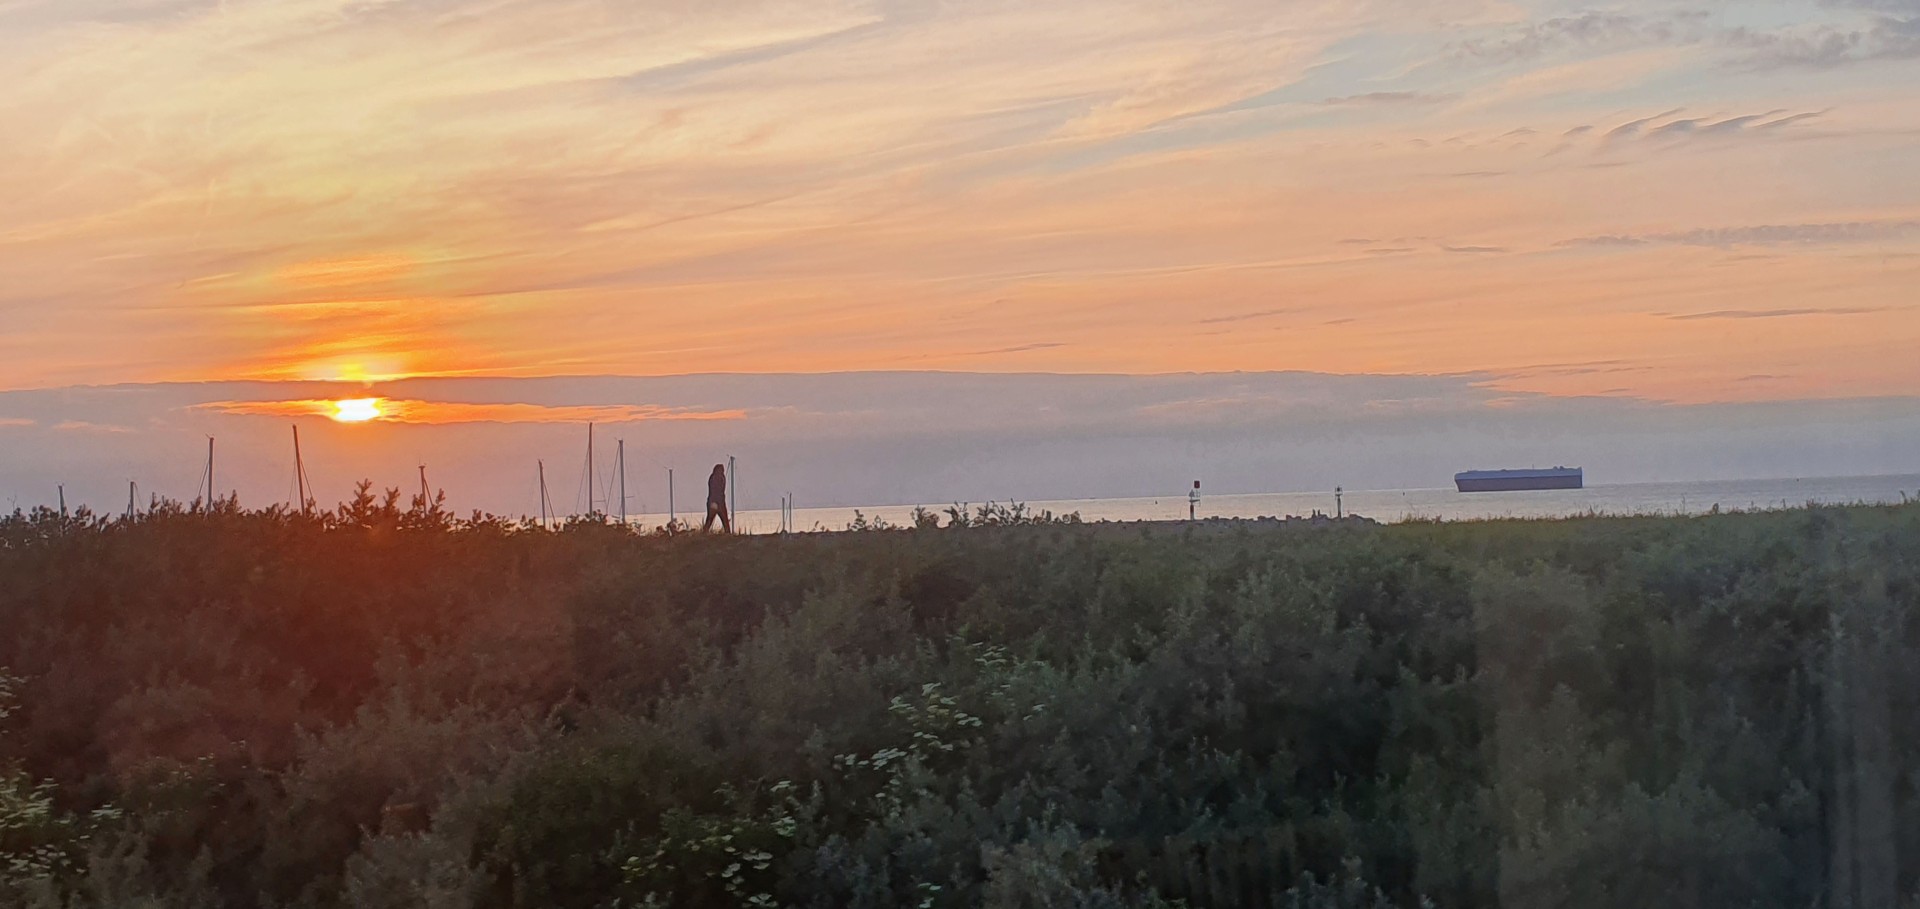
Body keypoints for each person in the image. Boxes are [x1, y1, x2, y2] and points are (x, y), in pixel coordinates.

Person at [702, 463, 731, 532]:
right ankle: (728, 534)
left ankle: (728, 534)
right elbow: (715, 491)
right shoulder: (715, 477)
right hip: (716, 502)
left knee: (721, 520)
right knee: (713, 519)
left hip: (718, 502)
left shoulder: (718, 477)